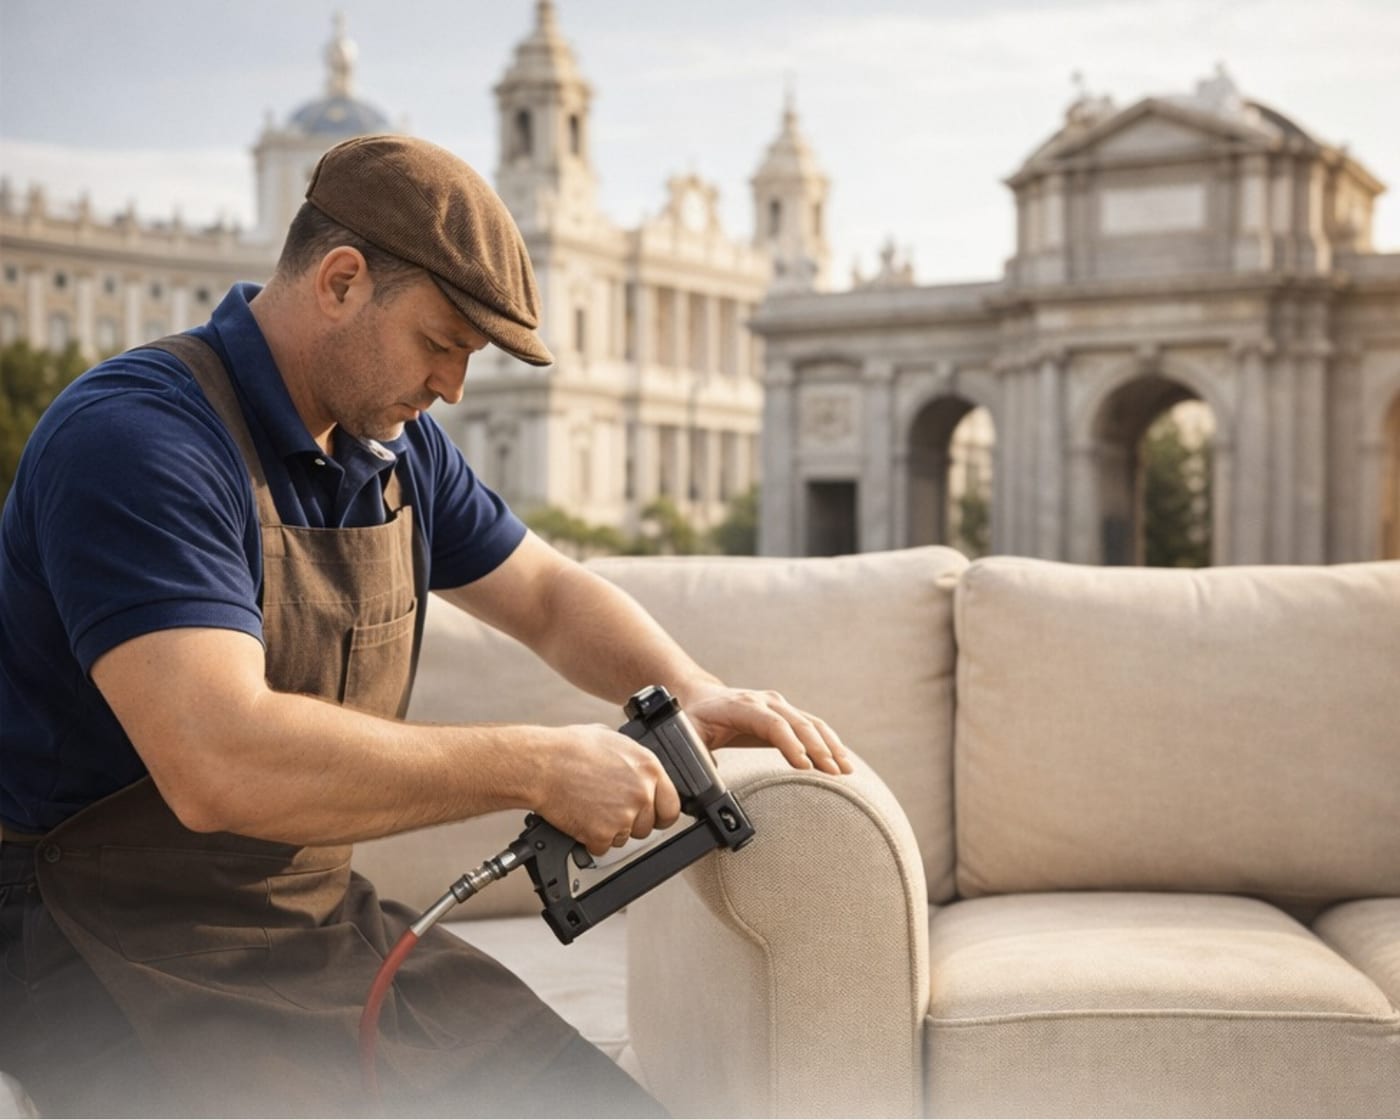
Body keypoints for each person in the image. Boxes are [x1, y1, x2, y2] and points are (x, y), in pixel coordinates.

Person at [0, 134, 851, 1119]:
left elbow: (544, 594)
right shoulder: (136, 442)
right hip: (89, 944)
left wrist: (688, 688)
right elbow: (216, 759)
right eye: (440, 342)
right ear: (341, 281)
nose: (453, 385)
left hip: (304, 919)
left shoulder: (398, 450)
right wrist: (536, 765)